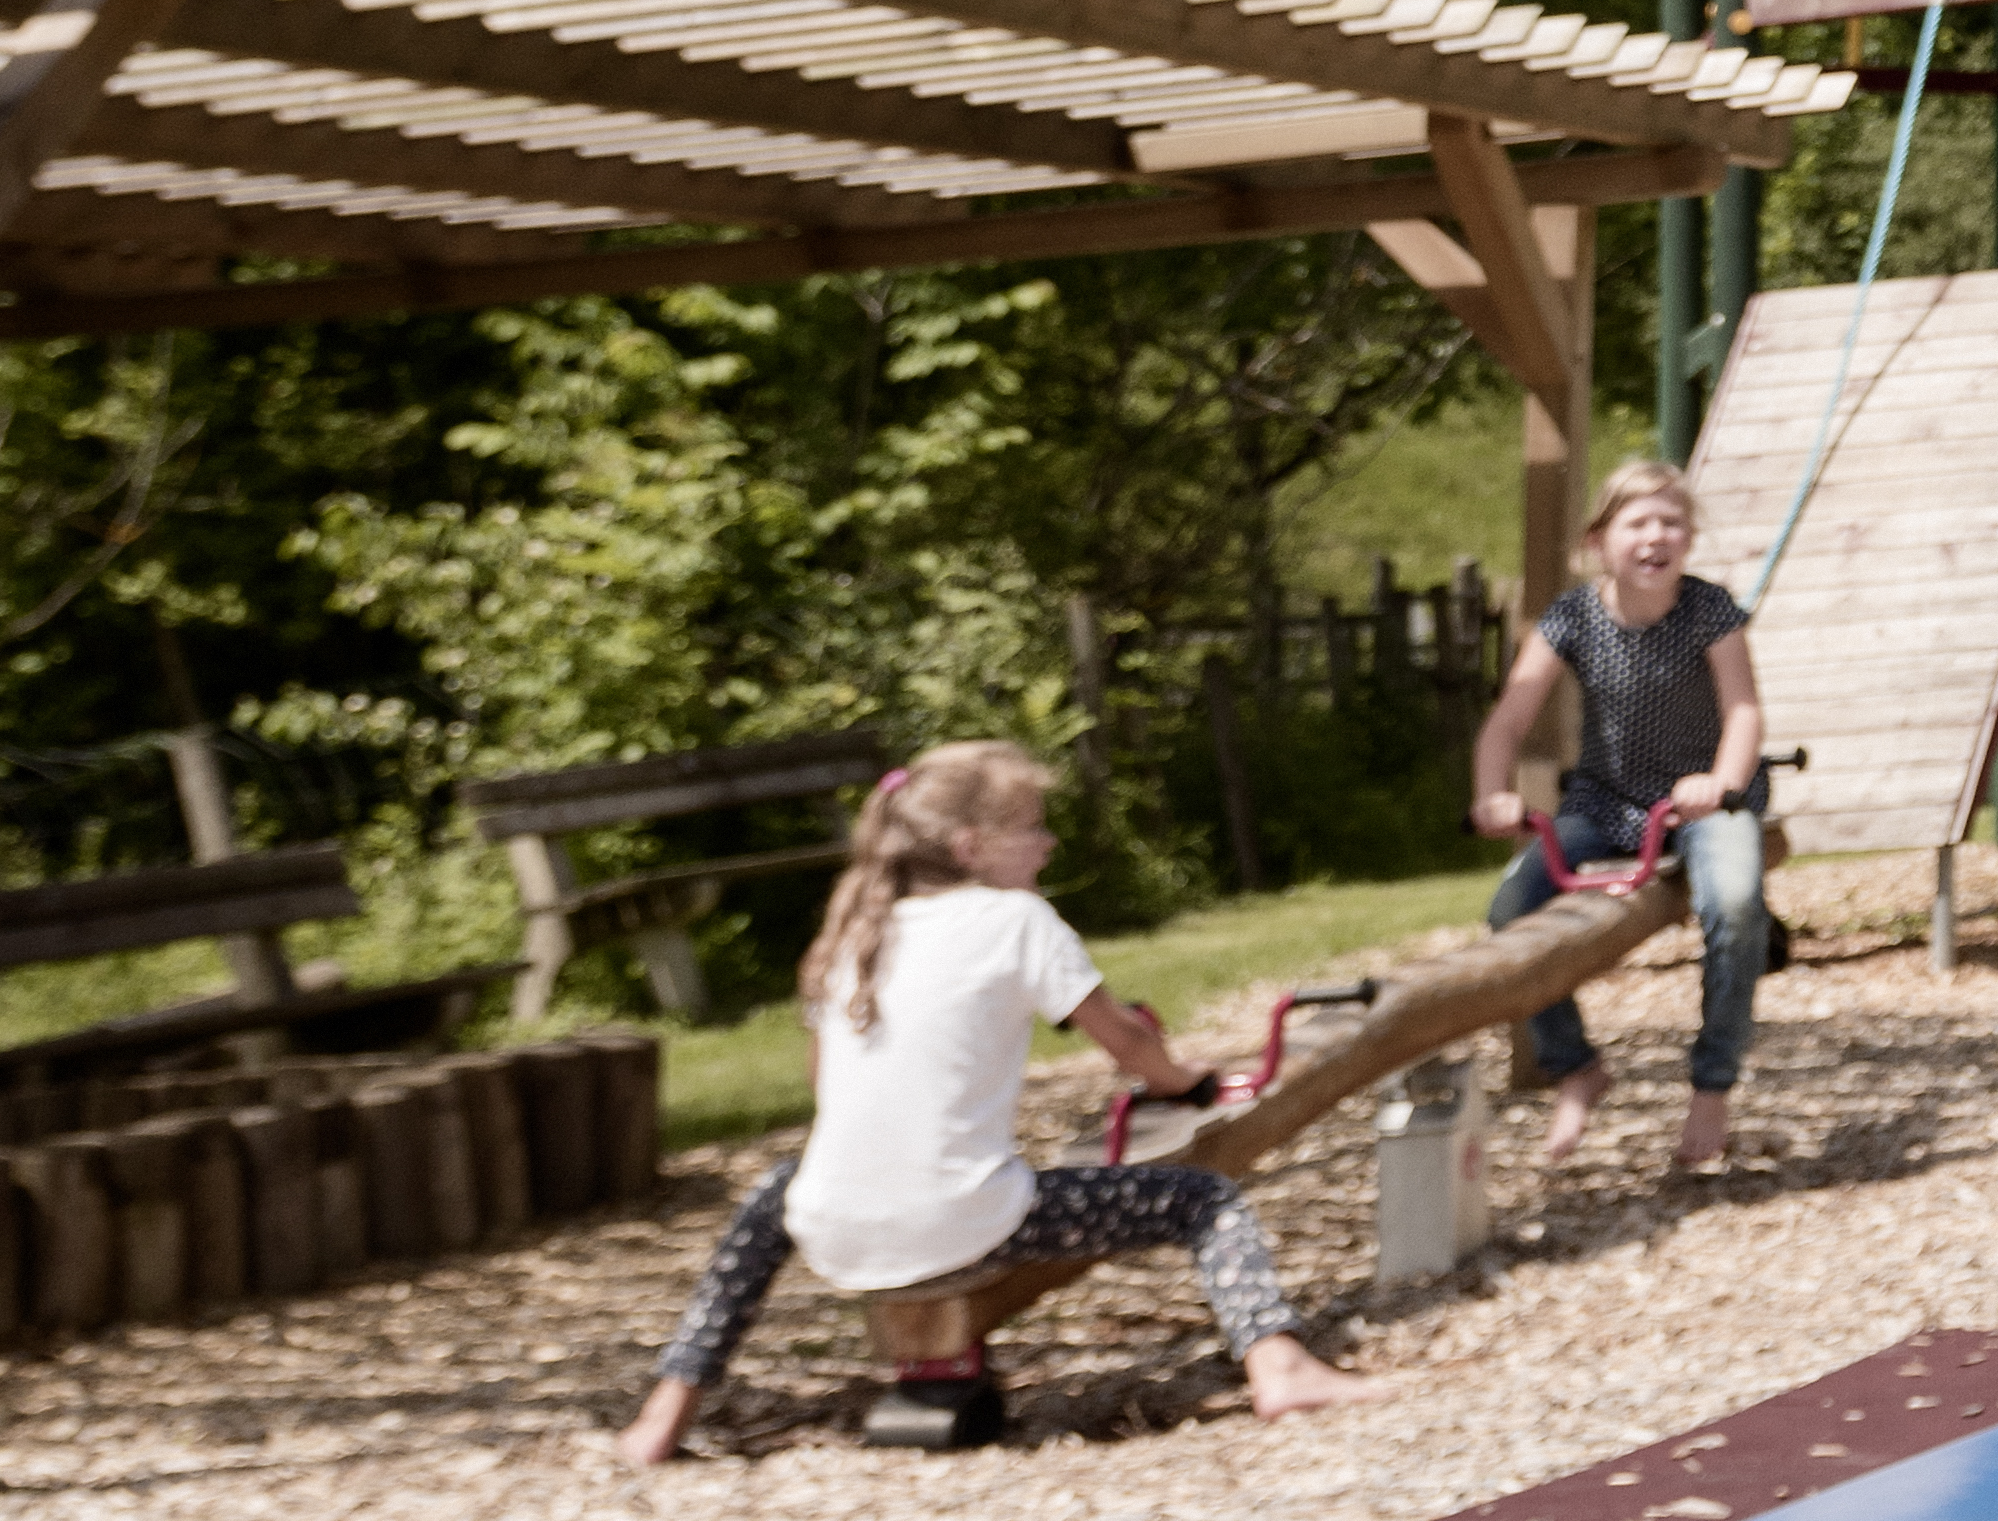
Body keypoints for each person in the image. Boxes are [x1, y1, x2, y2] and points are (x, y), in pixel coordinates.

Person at [616, 739, 1369, 1467]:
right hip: (963, 1219)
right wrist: (1184, 1082)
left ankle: (668, 1405)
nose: (1047, 843)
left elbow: (830, 1090)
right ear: (970, 847)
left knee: (776, 1189)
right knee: (1203, 1199)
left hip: (832, 1223)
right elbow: (1126, 1048)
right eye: (1032, 826)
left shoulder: (853, 935)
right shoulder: (1019, 921)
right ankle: (1278, 1364)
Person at [1472, 461, 1770, 1177]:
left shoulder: (1709, 610)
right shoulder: (1572, 617)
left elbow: (1743, 710)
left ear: (1689, 539)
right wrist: (1492, 793)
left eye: (1672, 523)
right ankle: (1574, 1066)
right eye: (1638, 523)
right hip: (1607, 801)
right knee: (1511, 911)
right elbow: (1508, 720)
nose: (1656, 537)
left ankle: (1711, 1084)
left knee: (1733, 903)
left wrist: (1722, 783)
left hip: (1701, 800)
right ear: (1598, 540)